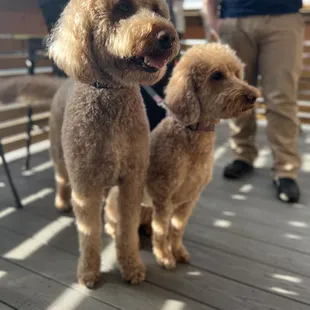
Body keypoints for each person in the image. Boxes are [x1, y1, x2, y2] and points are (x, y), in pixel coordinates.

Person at [203, 0, 304, 203]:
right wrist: (213, 20)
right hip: (234, 20)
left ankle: (285, 169)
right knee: (235, 94)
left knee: (282, 97)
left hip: (283, 17)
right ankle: (242, 154)